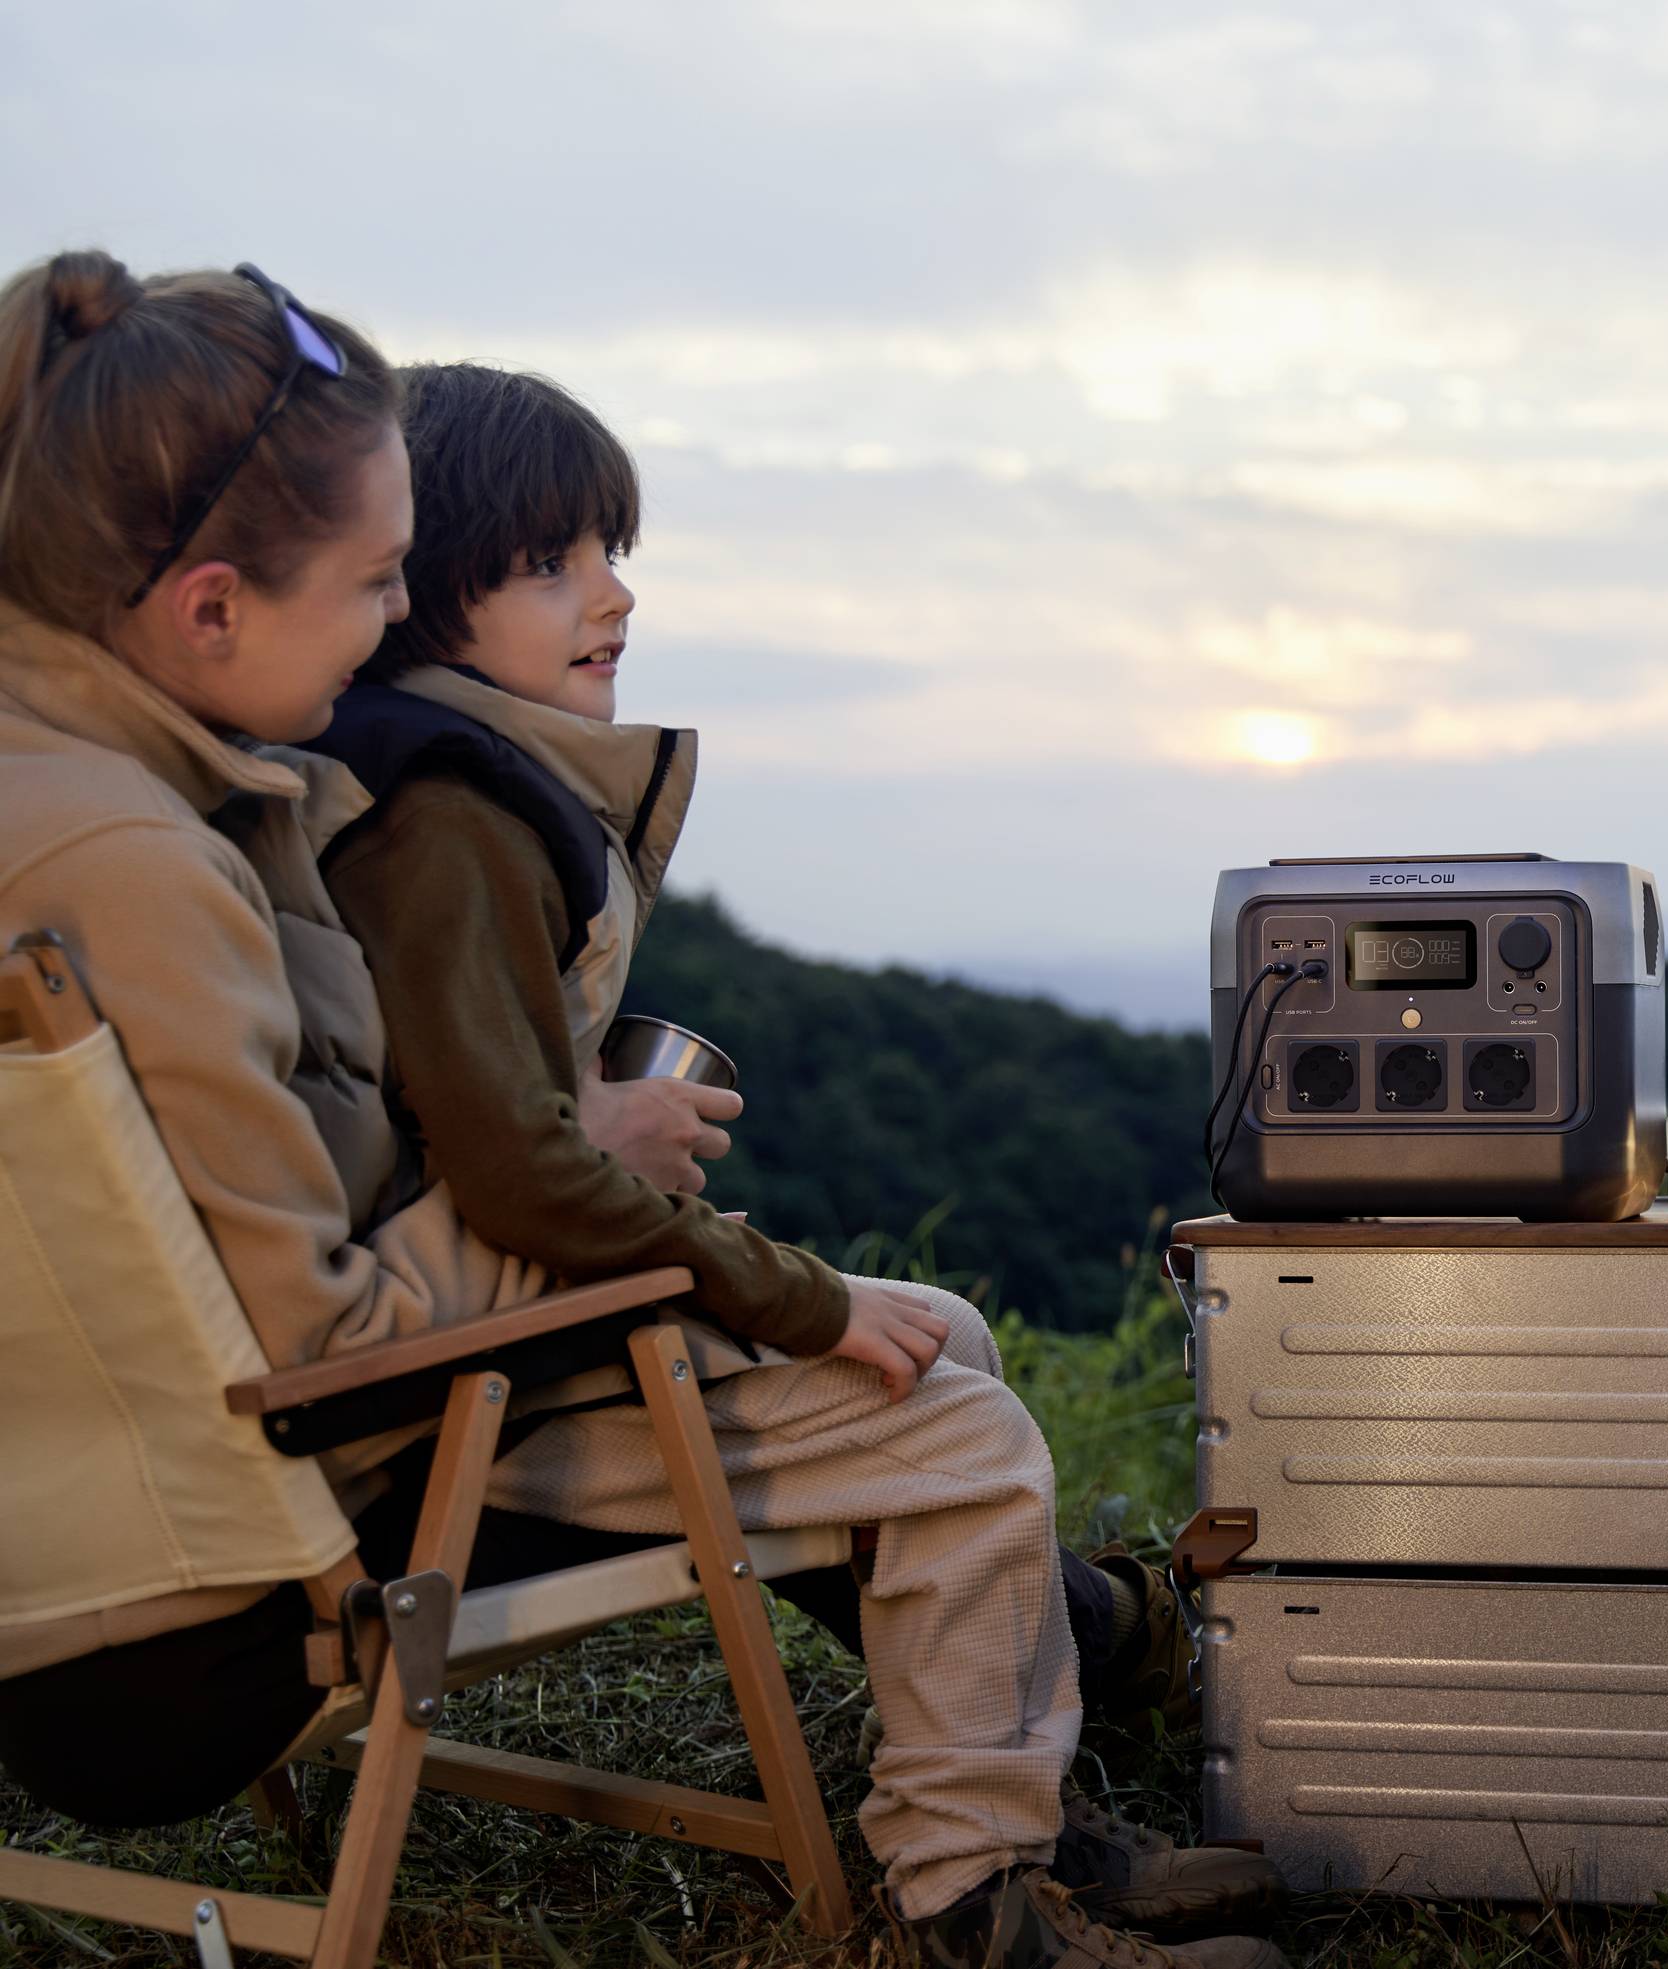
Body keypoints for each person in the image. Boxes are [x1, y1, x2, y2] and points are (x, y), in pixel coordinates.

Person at [0, 256, 1273, 1969]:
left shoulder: (82, 792)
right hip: (249, 1563)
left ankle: (1050, 1696)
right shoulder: (147, 869)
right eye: (383, 581)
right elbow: (300, 1338)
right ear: (212, 605)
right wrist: (584, 1160)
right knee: (957, 1427)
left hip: (76, 1512)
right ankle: (979, 1896)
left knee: (919, 1351)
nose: (393, 625)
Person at [301, 359, 1194, 1745]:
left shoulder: (442, 788)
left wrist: (592, 1133)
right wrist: (792, 1295)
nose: (614, 593)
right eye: (551, 564)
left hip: (494, 1345)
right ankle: (1000, 1846)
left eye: (610, 551)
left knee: (942, 1334)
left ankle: (1065, 1688)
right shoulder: (446, 823)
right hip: (458, 1413)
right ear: (416, 589)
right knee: (939, 1405)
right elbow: (515, 1178)